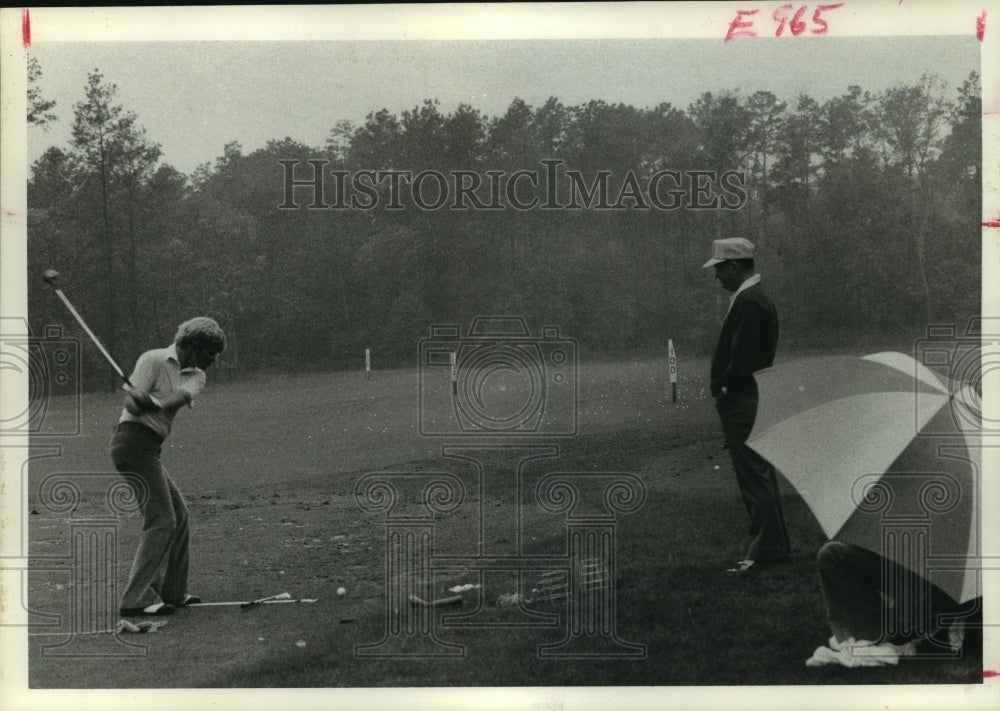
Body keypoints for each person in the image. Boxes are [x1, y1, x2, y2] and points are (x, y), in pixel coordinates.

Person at [111, 317, 226, 616]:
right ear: (194, 346)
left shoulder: (197, 375)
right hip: (132, 444)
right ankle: (136, 597)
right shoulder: (153, 359)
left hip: (150, 448)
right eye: (210, 354)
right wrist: (138, 399)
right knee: (161, 519)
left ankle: (173, 592)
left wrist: (153, 402)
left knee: (179, 515)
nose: (211, 362)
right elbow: (132, 408)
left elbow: (178, 398)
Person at [702, 237, 790, 573]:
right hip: (752, 394)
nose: (717, 277)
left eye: (720, 269)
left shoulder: (750, 301)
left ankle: (764, 549)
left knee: (753, 475)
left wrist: (724, 388)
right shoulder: (754, 297)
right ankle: (773, 545)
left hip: (744, 397)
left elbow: (744, 358)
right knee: (760, 473)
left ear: (736, 267)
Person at [806, 541, 976, 667]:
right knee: (831, 554)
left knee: (903, 632)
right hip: (905, 556)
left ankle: (892, 636)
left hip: (941, 573)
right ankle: (873, 634)